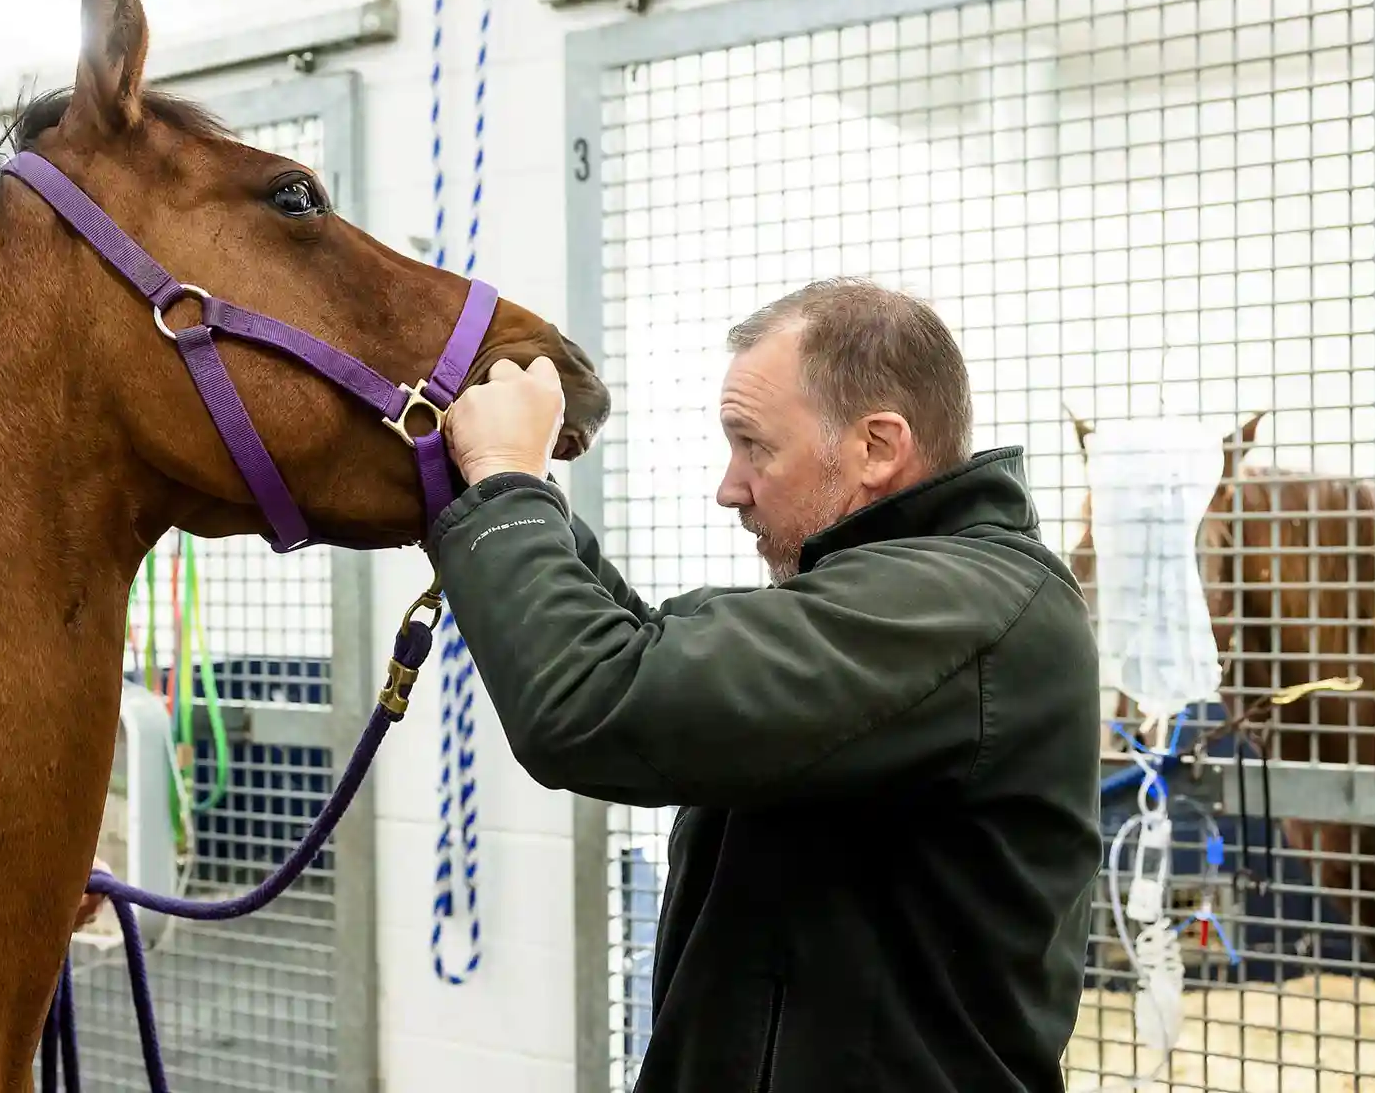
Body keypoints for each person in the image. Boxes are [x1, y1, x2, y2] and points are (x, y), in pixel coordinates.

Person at [431, 277, 1101, 1092]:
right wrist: (491, 494)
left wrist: (507, 487)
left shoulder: (961, 609)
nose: (730, 487)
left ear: (877, 447)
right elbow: (642, 649)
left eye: (754, 445)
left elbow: (595, 699)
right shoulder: (900, 600)